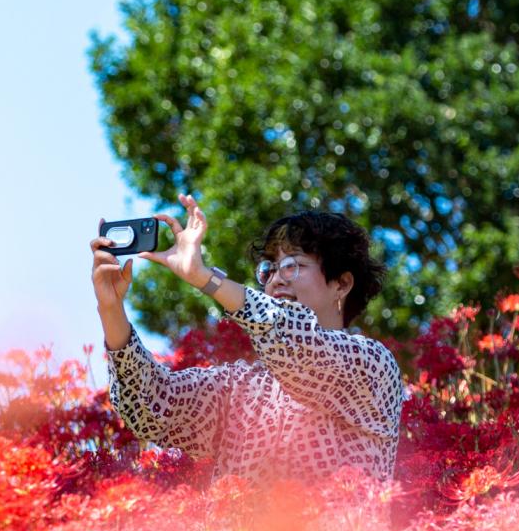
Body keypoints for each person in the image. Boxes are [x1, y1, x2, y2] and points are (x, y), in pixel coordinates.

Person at [90, 196, 404, 484]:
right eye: (269, 268)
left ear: (342, 283)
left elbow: (298, 343)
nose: (277, 278)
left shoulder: (372, 366)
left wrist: (204, 277)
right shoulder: (242, 389)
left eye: (293, 265)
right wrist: (111, 308)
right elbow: (150, 406)